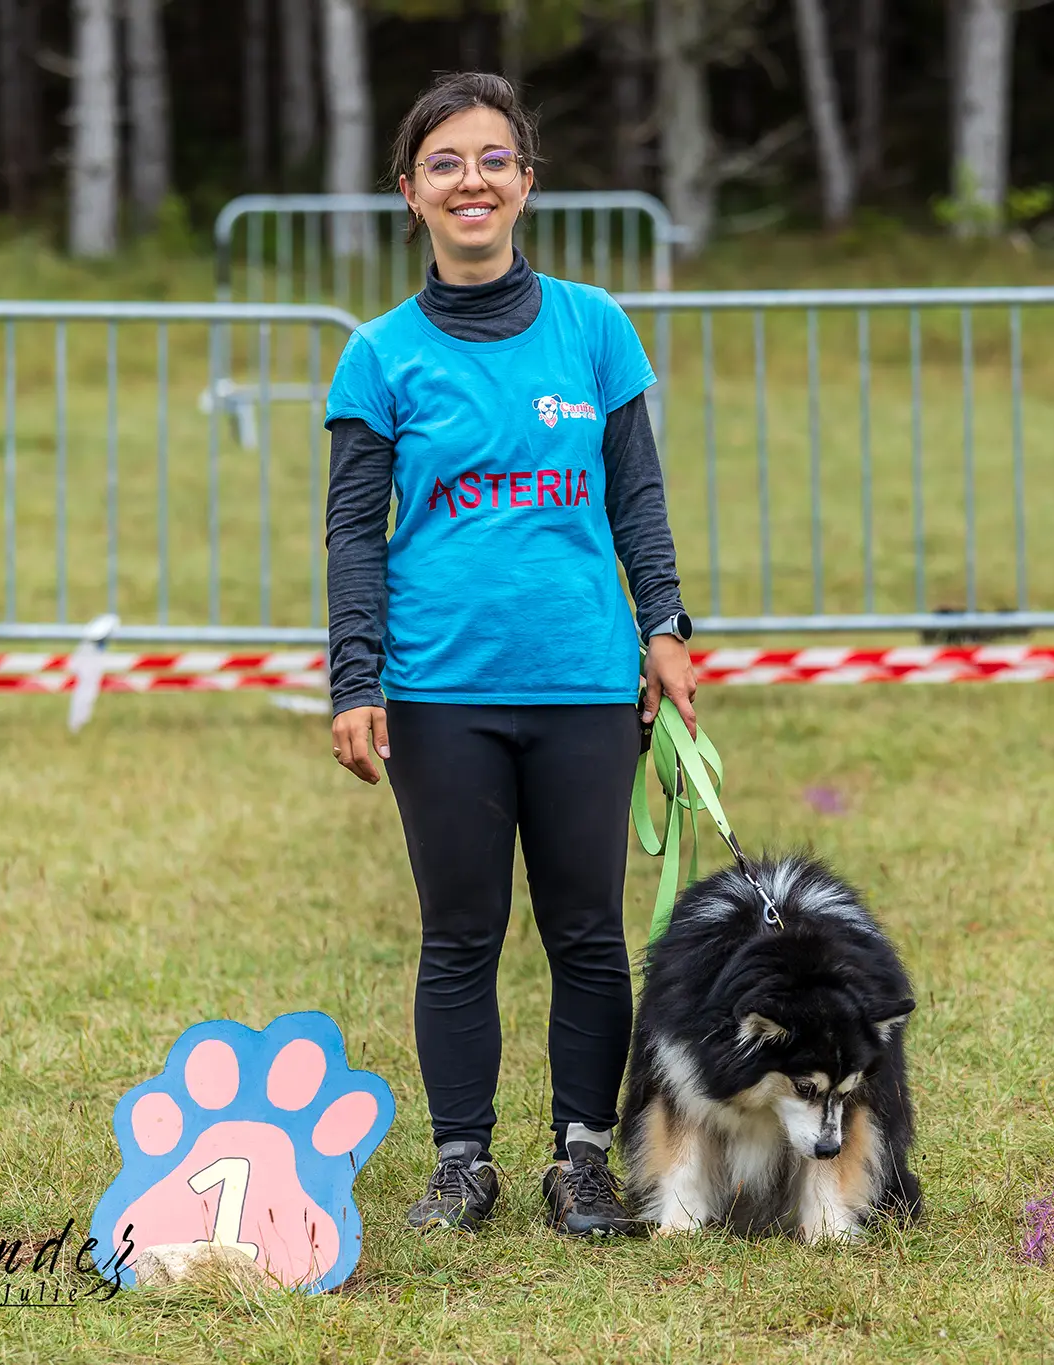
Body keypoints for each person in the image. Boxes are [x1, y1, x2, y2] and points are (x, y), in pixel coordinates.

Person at [322, 71, 697, 1238]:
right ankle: (460, 1162)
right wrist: (354, 679)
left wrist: (666, 629)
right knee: (460, 934)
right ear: (410, 195)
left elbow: (635, 497)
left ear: (525, 183)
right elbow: (352, 533)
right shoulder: (377, 358)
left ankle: (582, 1157)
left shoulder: (595, 329)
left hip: (586, 682)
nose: (469, 179)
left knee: (586, 930)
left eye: (492, 159)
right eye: (445, 163)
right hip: (442, 694)